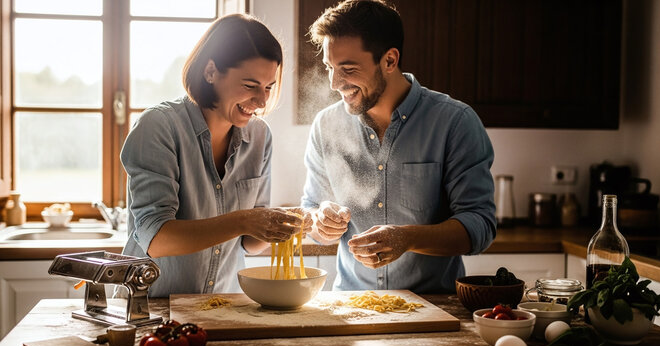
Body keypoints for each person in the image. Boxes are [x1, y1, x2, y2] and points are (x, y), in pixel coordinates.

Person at [302, 0, 496, 293]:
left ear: (389, 61)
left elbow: (479, 226)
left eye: (348, 68)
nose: (334, 83)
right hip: (352, 306)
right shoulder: (325, 125)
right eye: (329, 67)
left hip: (435, 308)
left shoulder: (455, 122)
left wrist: (407, 239)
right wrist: (320, 222)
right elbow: (312, 214)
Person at [120, 14, 311, 297]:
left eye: (269, 87)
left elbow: (249, 242)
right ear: (211, 72)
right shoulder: (159, 127)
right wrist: (244, 220)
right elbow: (156, 237)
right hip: (150, 308)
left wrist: (282, 226)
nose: (261, 101)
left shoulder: (259, 136)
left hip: (223, 306)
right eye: (250, 85)